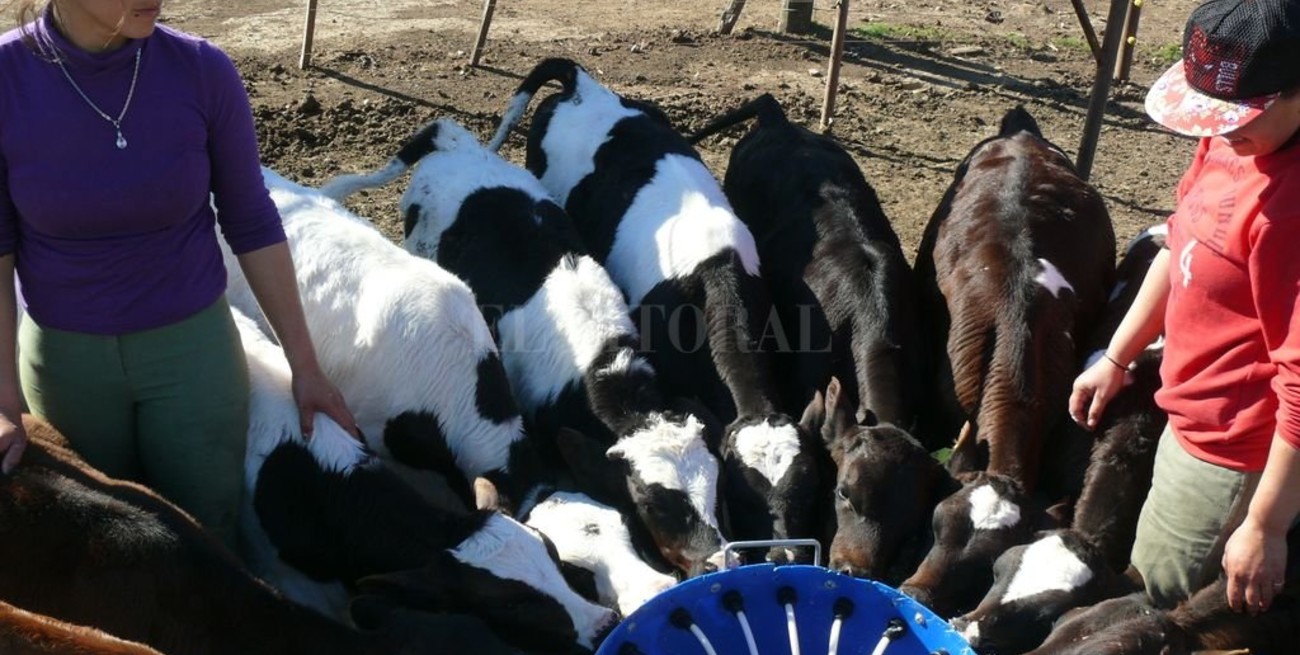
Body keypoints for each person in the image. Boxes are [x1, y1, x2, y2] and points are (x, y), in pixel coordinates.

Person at [0, 0, 358, 551]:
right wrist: (2, 402)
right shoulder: (7, 78)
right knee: (98, 547)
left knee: (209, 535)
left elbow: (252, 220)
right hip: (65, 366)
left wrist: (305, 366)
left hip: (193, 357)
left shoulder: (202, 70)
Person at [1069, 0, 1300, 617]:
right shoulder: (1233, 143)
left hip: (1235, 447)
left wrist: (1264, 524)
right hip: (1188, 406)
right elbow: (1181, 244)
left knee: (1157, 607)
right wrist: (1117, 356)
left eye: (1238, 115)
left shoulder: (1291, 208)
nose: (1220, 131)